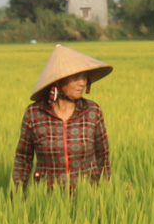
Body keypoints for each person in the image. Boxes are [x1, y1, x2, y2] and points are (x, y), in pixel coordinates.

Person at [13, 45, 113, 188]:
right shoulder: (35, 113)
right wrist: (16, 194)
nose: (82, 82)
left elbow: (102, 155)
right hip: (47, 196)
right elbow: (23, 158)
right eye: (76, 77)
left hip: (87, 195)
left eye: (84, 77)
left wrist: (106, 191)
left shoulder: (92, 111)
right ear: (58, 82)